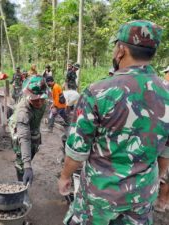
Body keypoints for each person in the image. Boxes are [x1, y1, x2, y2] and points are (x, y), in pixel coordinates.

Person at [58, 20, 169, 225]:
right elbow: (165, 153)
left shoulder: (98, 92)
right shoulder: (167, 93)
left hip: (100, 198)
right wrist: (157, 178)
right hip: (142, 199)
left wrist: (65, 177)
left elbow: (77, 151)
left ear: (121, 50)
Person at [8, 76, 47, 184]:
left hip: (33, 127)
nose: (39, 103)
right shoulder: (23, 112)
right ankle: (21, 184)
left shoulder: (43, 99)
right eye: (35, 100)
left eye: (42, 99)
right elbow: (24, 138)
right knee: (22, 156)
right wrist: (27, 166)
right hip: (20, 128)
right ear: (28, 97)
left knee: (34, 146)